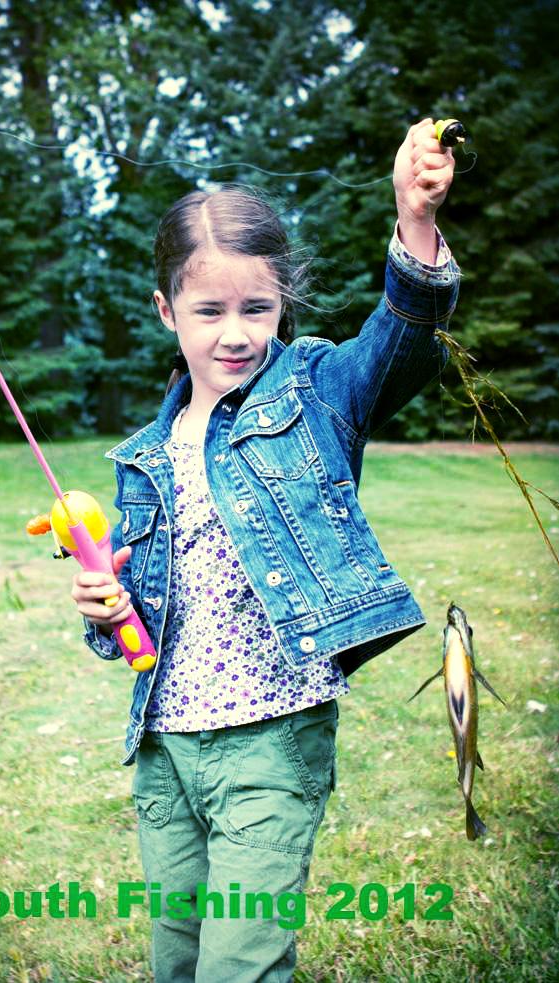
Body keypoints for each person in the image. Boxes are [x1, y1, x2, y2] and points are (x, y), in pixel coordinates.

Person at [71, 118, 460, 982]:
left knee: (238, 963)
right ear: (166, 311)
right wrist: (102, 609)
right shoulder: (143, 457)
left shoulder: (317, 392)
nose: (235, 333)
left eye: (256, 307)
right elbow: (127, 623)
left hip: (273, 739)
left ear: (282, 301)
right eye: (208, 311)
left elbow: (402, 339)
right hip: (165, 745)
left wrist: (415, 219)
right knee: (178, 955)